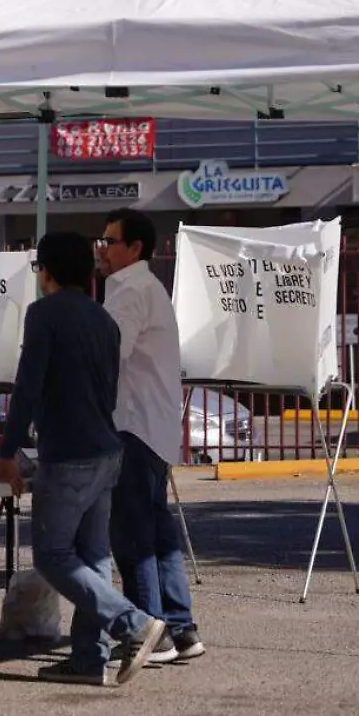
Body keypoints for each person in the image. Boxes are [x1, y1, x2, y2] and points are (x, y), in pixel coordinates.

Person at [0, 231, 169, 686]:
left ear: (46, 272)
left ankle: (135, 623)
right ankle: (88, 660)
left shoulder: (44, 314)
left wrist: (8, 450)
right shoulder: (104, 319)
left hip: (69, 455)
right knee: (92, 559)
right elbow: (107, 388)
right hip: (108, 450)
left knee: (53, 556)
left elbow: (27, 387)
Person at [98, 209, 204, 664]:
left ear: (135, 247)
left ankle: (149, 630)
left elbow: (108, 355)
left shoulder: (130, 289)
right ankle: (180, 629)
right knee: (158, 531)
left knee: (132, 533)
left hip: (132, 424)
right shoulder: (146, 287)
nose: (102, 249)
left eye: (110, 240)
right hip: (151, 426)